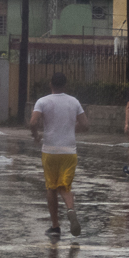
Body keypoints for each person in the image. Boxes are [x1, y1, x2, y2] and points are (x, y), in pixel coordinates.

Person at [30, 72, 89, 238]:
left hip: (50, 150)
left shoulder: (43, 101)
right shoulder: (74, 101)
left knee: (51, 187)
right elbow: (85, 124)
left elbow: (33, 122)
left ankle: (55, 226)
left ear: (50, 84)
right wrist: (71, 129)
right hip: (69, 152)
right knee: (65, 186)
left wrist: (36, 136)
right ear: (66, 85)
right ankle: (70, 210)